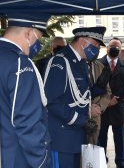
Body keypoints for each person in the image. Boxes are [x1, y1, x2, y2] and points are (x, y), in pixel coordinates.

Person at [43, 27, 106, 168]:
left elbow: (78, 97)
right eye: (95, 45)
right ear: (82, 41)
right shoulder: (60, 62)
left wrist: (89, 110)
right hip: (62, 139)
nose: (96, 49)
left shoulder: (81, 63)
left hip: (77, 137)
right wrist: (80, 120)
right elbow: (52, 101)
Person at [0, 14, 51, 167]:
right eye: (39, 39)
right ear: (29, 33)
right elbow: (27, 121)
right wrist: (42, 161)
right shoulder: (20, 63)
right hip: (19, 157)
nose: (39, 45)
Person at [97, 37, 124, 168]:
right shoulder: (98, 63)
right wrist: (106, 101)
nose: (114, 48)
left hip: (118, 106)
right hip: (102, 106)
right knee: (101, 137)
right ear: (107, 47)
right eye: (112, 45)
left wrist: (115, 98)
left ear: (121, 49)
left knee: (119, 138)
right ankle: (101, 162)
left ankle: (120, 163)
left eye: (117, 47)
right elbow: (97, 83)